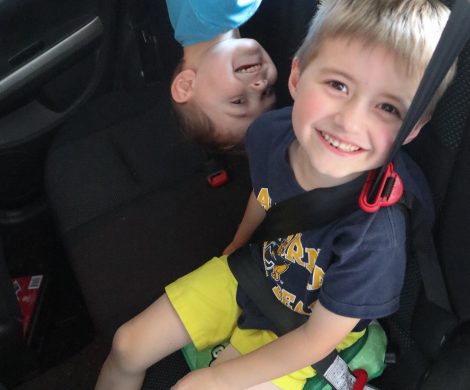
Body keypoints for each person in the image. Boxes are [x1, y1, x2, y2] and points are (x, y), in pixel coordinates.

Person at [95, 0, 456, 389]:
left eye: (387, 107)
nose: (350, 120)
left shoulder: (376, 236)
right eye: (338, 85)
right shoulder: (270, 133)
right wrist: (239, 242)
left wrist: (218, 380)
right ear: (297, 76)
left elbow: (316, 340)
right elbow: (263, 191)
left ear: (413, 128)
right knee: (127, 344)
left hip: (307, 328)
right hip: (254, 270)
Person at [166, 0, 278, 151]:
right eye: (267, 92)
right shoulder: (184, 23)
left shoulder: (225, 8)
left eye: (238, 101)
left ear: (185, 86)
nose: (260, 86)